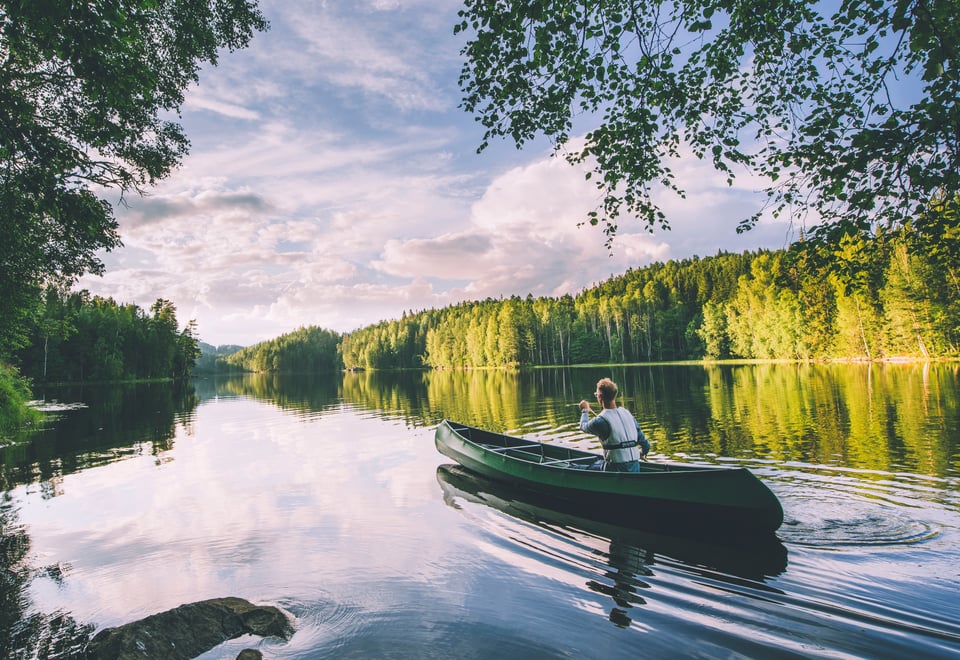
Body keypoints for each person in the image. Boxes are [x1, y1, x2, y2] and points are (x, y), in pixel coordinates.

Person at [579, 378, 650, 472]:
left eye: (596, 395)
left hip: (615, 469)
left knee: (578, 467)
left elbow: (583, 426)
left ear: (600, 397)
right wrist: (641, 453)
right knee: (597, 464)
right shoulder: (628, 415)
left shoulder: (600, 421)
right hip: (635, 467)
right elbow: (646, 445)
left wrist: (585, 410)